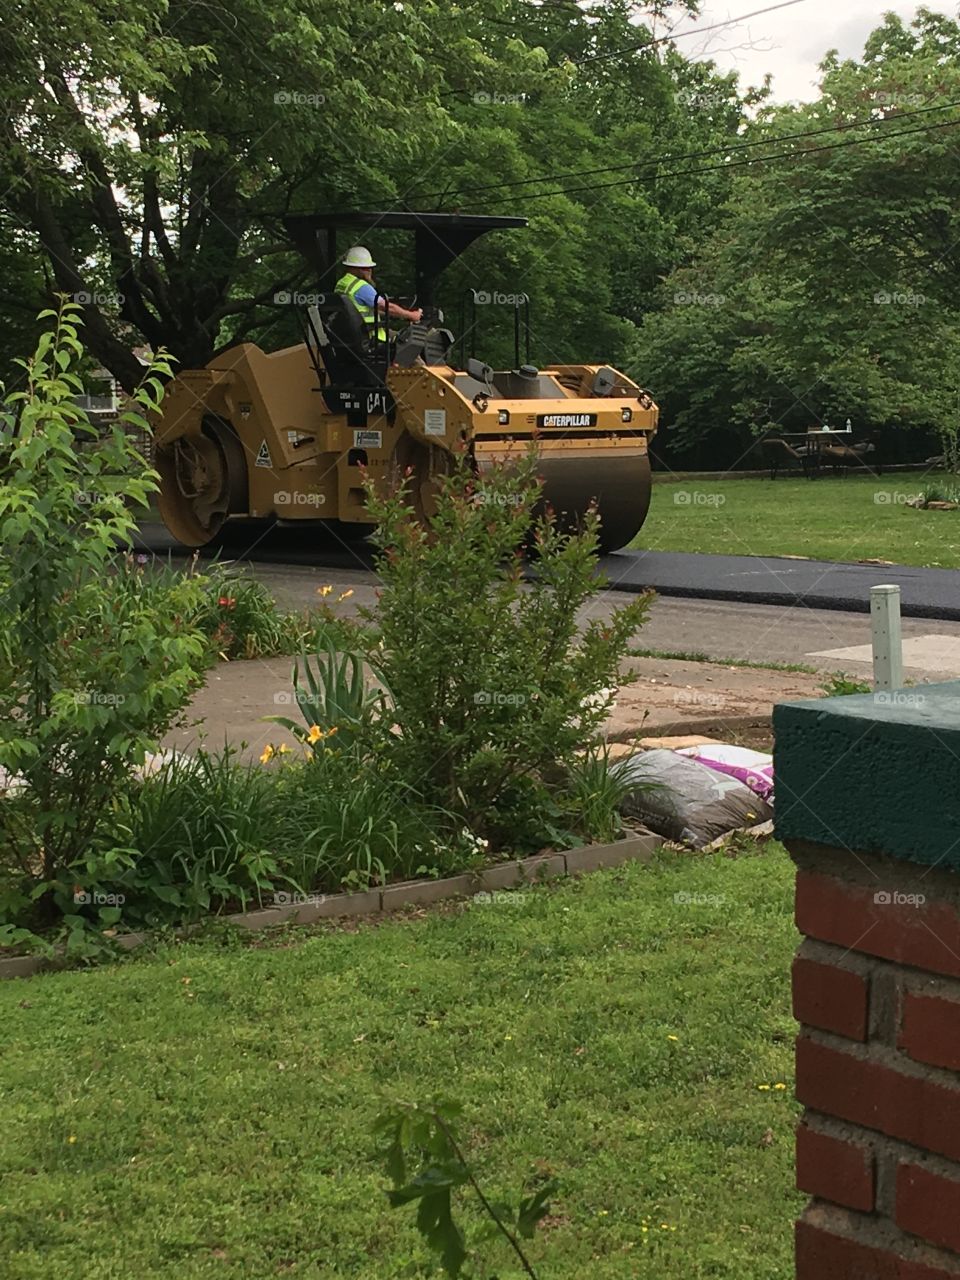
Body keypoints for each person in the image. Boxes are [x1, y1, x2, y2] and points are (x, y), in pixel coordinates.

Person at [335, 247, 422, 345]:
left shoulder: (341, 285)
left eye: (369, 267)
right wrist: (412, 315)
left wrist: (398, 314)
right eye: (365, 268)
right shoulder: (362, 287)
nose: (369, 271)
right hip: (370, 338)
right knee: (410, 347)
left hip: (351, 337)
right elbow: (386, 306)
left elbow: (359, 311)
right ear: (354, 268)